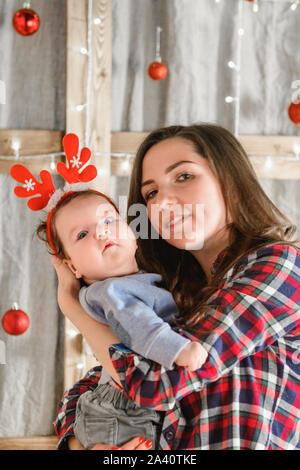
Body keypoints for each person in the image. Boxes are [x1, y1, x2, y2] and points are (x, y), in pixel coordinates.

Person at [53, 123, 300, 450]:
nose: (164, 201)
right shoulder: (174, 295)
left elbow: (155, 381)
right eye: (151, 192)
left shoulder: (279, 266)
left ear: (232, 185)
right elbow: (91, 385)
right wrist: (77, 441)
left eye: (184, 176)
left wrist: (74, 307)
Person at [36, 190, 207, 449]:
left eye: (108, 220)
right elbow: (142, 328)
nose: (101, 232)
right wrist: (180, 350)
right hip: (122, 413)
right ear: (73, 268)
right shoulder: (111, 291)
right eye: (82, 235)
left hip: (122, 404)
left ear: (132, 233)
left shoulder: (142, 280)